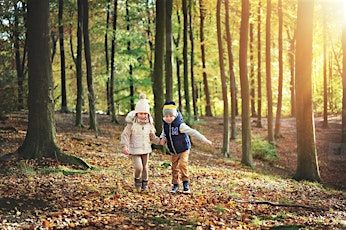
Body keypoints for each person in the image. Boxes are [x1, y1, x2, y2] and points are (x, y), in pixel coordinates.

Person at [160, 101, 212, 193]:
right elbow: (164, 133)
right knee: (174, 167)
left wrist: (204, 140)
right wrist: (162, 138)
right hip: (173, 150)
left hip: (184, 148)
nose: (168, 118)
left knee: (183, 165)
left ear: (175, 115)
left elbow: (193, 132)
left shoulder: (180, 125)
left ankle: (185, 183)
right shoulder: (165, 125)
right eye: (166, 116)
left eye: (171, 116)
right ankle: (175, 184)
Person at [121, 93, 160, 192]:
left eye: (144, 113)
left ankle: (145, 185)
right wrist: (125, 146)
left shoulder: (149, 124)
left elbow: (152, 136)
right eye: (140, 113)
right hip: (134, 149)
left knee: (145, 168)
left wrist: (160, 141)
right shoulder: (132, 124)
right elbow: (126, 135)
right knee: (139, 167)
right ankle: (137, 182)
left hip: (146, 149)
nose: (142, 116)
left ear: (148, 114)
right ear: (136, 113)